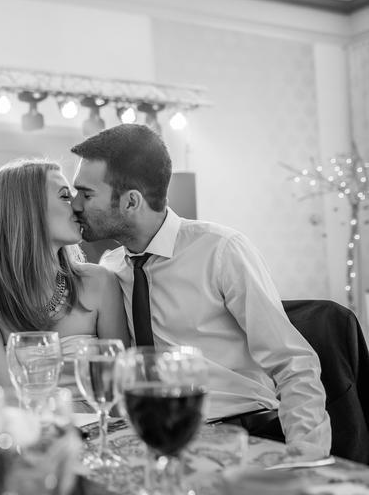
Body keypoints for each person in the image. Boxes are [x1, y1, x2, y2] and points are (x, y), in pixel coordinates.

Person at [70, 123, 331, 455]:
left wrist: (305, 455)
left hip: (241, 432)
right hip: (155, 438)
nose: (75, 204)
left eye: (86, 194)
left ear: (131, 201)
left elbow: (292, 362)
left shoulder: (221, 250)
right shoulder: (110, 269)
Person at [0, 159, 128, 398]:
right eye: (65, 196)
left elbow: (119, 389)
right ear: (27, 210)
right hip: (24, 423)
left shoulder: (101, 282)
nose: (78, 205)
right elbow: (6, 400)